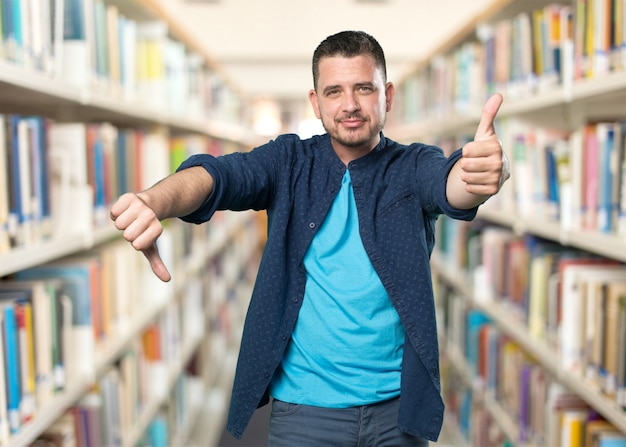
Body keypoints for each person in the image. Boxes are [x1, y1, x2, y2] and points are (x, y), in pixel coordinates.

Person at [110, 30, 509, 446]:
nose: (350, 104)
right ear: (315, 102)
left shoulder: (413, 164)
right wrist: (154, 199)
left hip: (397, 411)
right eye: (334, 91)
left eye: (364, 89)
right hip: (304, 413)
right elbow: (219, 176)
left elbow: (449, 183)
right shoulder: (288, 162)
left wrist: (478, 176)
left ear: (387, 95)